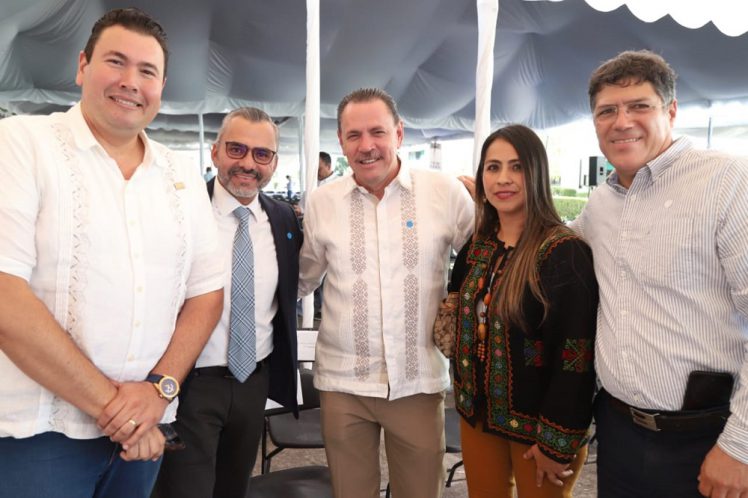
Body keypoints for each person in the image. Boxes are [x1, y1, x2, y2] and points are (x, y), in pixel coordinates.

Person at [0, 8, 224, 498]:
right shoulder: (21, 143)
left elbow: (207, 294)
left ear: (162, 86)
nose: (130, 82)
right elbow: (5, 296)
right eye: (116, 62)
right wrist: (123, 412)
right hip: (39, 435)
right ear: (82, 66)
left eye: (147, 71)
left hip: (144, 433)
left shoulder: (180, 174)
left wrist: (160, 389)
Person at [572, 49, 748, 498]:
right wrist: (497, 207)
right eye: (606, 111)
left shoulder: (726, 181)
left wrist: (740, 446)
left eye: (639, 106)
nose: (621, 122)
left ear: (671, 111)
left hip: (706, 437)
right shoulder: (601, 202)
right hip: (618, 434)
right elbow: (552, 244)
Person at [299, 87, 474, 498]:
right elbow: (302, 278)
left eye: (377, 132)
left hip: (417, 381)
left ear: (399, 133)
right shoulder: (322, 202)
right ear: (341, 141)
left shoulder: (445, 193)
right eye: (354, 135)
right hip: (343, 382)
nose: (366, 146)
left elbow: (485, 263)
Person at [154, 107, 302, 498]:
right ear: (215, 152)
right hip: (189, 384)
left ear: (274, 163)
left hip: (254, 382)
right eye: (237, 149)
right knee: (185, 491)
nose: (248, 164)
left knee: (234, 488)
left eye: (261, 154)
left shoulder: (284, 219)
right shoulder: (179, 212)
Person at [448, 125, 598, 498]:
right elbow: (455, 313)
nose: (503, 178)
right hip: (478, 417)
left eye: (516, 167)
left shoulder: (563, 252)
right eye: (493, 167)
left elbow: (576, 355)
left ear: (537, 174)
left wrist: (557, 442)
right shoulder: (476, 247)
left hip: (541, 433)